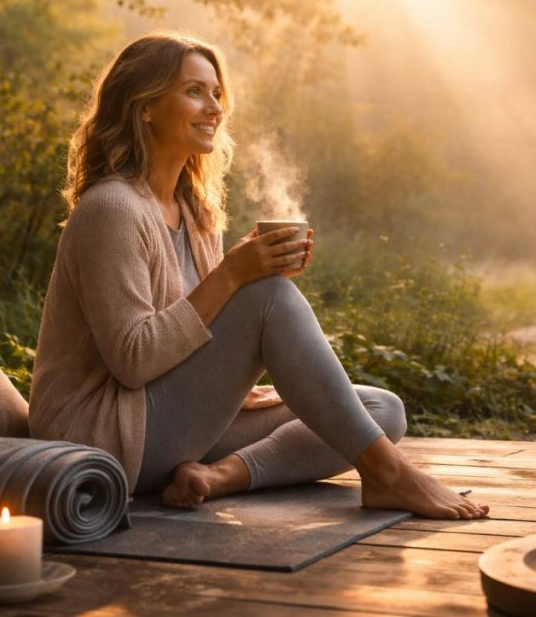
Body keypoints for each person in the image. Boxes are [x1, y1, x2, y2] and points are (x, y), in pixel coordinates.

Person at [28, 32, 488, 520]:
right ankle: (391, 475)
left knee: (379, 411)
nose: (214, 108)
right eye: (194, 92)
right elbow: (133, 361)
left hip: (166, 426)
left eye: (216, 93)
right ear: (144, 106)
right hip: (105, 438)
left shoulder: (195, 212)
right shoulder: (112, 209)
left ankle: (218, 476)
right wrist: (235, 277)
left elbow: (199, 332)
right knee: (268, 295)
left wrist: (232, 382)